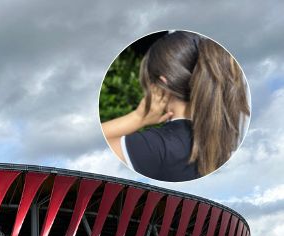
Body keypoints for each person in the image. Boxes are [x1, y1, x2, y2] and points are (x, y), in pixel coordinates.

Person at [102, 31, 250, 182]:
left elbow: (96, 151)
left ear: (161, 86)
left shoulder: (152, 146)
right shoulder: (222, 149)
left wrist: (137, 118)